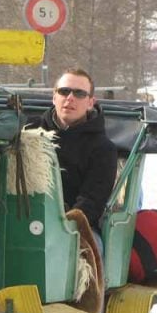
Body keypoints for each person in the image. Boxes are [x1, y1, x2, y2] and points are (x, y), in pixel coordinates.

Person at [29, 69, 118, 237]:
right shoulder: (29, 132)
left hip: (75, 228)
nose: (70, 98)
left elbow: (90, 203)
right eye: (64, 91)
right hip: (25, 218)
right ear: (54, 97)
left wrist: (62, 226)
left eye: (79, 93)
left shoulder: (103, 149)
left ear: (91, 102)